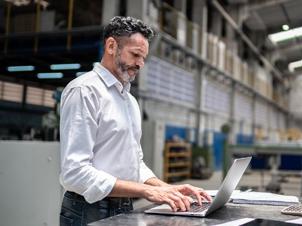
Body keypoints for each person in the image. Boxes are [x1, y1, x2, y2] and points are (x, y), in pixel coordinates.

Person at [59, 16, 212, 225]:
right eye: (135, 55)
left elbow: (134, 163)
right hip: (88, 210)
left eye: (143, 58)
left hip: (124, 205)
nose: (140, 64)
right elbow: (74, 172)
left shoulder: (129, 100)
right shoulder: (84, 91)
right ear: (112, 46)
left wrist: (164, 187)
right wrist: (147, 191)